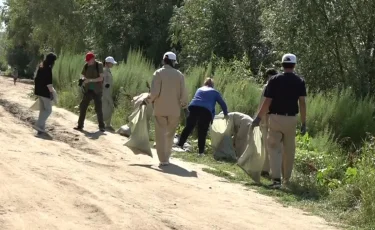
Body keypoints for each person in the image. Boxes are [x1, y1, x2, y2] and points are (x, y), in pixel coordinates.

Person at [252, 54, 307, 189]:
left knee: (273, 148)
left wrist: (258, 117)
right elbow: (302, 103)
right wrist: (304, 122)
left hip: (275, 118)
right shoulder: (300, 81)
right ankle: (287, 180)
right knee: (289, 150)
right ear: (294, 65)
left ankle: (276, 180)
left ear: (282, 65)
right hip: (292, 119)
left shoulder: (274, 80)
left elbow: (267, 102)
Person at [147, 51, 188, 166]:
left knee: (160, 134)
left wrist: (147, 101)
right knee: (170, 134)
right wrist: (184, 104)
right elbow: (183, 94)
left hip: (160, 109)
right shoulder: (179, 75)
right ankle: (167, 157)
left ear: (164, 60)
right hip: (174, 110)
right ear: (173, 62)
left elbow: (154, 92)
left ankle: (163, 159)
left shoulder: (158, 73)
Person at [177, 78, 228, 156]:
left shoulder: (199, 89)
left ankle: (180, 145)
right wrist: (225, 114)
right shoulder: (215, 92)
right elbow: (222, 104)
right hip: (205, 111)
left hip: (193, 107)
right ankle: (201, 152)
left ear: (205, 83)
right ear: (212, 85)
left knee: (189, 127)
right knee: (202, 131)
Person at [74, 52, 105, 132]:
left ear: (93, 59)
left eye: (89, 60)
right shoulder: (86, 66)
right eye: (87, 60)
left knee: (98, 108)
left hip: (97, 89)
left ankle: (102, 126)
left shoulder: (99, 65)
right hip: (88, 89)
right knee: (83, 106)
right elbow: (83, 75)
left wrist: (90, 80)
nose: (88, 62)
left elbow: (101, 78)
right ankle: (80, 125)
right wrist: (83, 79)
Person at [259, 68, 279, 178]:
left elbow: (262, 103)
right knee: (276, 146)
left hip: (267, 119)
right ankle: (274, 171)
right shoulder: (280, 87)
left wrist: (259, 118)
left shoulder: (267, 87)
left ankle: (265, 169)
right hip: (277, 119)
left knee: (266, 145)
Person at [33, 52, 57, 135]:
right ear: (52, 61)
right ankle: (38, 124)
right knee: (48, 110)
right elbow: (49, 84)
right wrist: (51, 93)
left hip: (39, 91)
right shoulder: (48, 69)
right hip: (45, 92)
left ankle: (41, 129)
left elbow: (36, 79)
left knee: (42, 110)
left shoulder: (41, 66)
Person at [102, 56, 117, 131]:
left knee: (108, 108)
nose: (113, 65)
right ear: (108, 63)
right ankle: (104, 123)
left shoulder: (108, 70)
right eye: (112, 63)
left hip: (108, 92)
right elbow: (102, 80)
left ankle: (107, 124)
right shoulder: (104, 70)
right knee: (108, 107)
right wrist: (105, 84)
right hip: (105, 92)